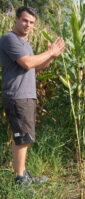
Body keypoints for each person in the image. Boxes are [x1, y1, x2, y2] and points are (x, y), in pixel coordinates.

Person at [0, 6, 65, 185]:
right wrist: (49, 51)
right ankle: (20, 180)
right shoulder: (8, 39)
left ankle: (23, 174)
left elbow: (34, 68)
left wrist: (53, 57)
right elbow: (27, 63)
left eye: (32, 23)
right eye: (25, 20)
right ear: (17, 19)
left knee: (24, 138)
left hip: (26, 95)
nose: (28, 25)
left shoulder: (26, 44)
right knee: (22, 138)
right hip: (17, 95)